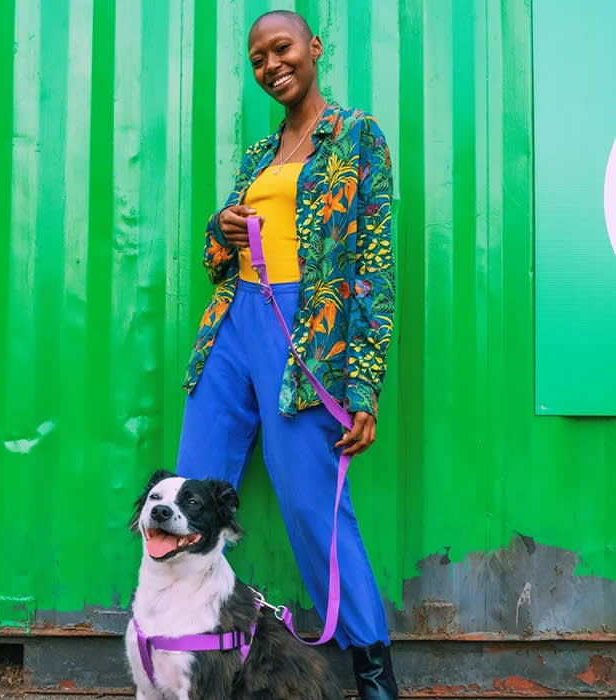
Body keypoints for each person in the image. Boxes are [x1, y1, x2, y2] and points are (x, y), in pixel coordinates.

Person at [176, 9, 397, 699]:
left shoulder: (356, 136)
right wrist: (223, 226)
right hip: (233, 326)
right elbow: (218, 260)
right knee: (189, 496)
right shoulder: (258, 155)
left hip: (305, 334)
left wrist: (363, 385)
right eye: (259, 59)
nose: (272, 65)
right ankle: (187, 660)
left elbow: (375, 262)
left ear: (313, 49)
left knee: (312, 507)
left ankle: (373, 672)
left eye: (282, 49)